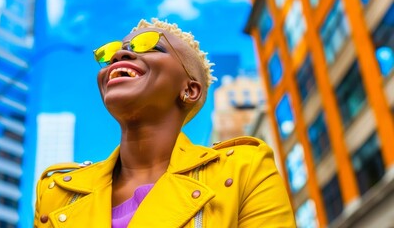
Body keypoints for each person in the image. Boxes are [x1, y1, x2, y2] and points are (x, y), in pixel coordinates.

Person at [34, 18, 295, 227]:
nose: (118, 56)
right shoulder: (56, 193)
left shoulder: (244, 170)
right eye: (112, 52)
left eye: (149, 46)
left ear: (190, 90)